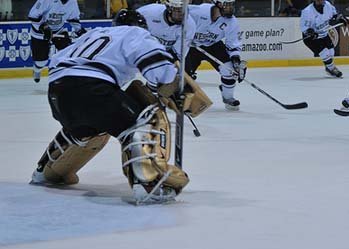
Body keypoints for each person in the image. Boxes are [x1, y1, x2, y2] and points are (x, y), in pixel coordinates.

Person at [29, 9, 209, 205]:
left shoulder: (93, 34)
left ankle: (47, 172)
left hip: (58, 93)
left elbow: (57, 61)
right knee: (146, 118)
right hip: (93, 88)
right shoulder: (136, 33)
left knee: (90, 128)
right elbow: (158, 69)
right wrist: (174, 86)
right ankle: (149, 183)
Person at [186, 0, 247, 110]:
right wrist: (186, 38)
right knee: (184, 75)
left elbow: (233, 43)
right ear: (218, 4)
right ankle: (185, 99)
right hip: (191, 47)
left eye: (231, 5)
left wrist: (235, 58)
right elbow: (179, 20)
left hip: (213, 46)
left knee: (229, 70)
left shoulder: (231, 21)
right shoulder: (198, 11)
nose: (230, 8)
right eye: (227, 5)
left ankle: (228, 97)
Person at [28, 0, 87, 83]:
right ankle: (37, 70)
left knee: (67, 54)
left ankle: (65, 77)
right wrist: (44, 27)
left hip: (58, 31)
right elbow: (33, 16)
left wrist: (79, 30)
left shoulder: (72, 1)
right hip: (39, 33)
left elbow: (73, 18)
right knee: (41, 62)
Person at [300, 0, 349, 78]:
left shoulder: (328, 5)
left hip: (324, 34)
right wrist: (310, 32)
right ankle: (332, 69)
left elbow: (335, 14)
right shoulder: (307, 11)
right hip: (311, 38)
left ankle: (328, 67)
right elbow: (304, 27)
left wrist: (341, 18)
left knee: (331, 52)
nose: (321, 1)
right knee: (325, 53)